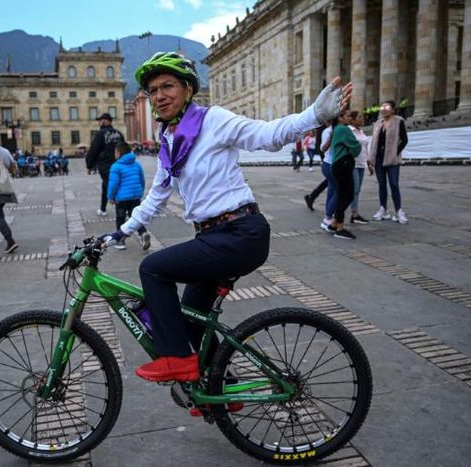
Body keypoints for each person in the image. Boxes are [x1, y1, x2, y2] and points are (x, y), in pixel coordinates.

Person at [101, 51, 351, 383]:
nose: (159, 96)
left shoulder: (213, 120)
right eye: (153, 90)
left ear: (188, 89)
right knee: (191, 312)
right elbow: (156, 197)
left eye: (168, 86)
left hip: (240, 232)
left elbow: (266, 135)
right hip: (213, 236)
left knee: (152, 268)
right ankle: (221, 386)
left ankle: (176, 358)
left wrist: (314, 116)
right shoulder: (169, 142)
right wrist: (121, 232)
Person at [368, 100, 408, 224]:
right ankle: (383, 209)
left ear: (393, 109)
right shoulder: (378, 123)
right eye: (382, 106)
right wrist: (370, 158)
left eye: (387, 106)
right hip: (379, 158)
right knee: (382, 184)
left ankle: (398, 211)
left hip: (392, 159)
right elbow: (374, 141)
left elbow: (404, 139)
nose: (384, 109)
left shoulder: (398, 121)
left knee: (394, 184)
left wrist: (396, 152)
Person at [107, 141, 151, 251]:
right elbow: (142, 180)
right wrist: (139, 192)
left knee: (120, 218)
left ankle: (120, 241)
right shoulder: (136, 164)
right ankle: (143, 233)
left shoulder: (116, 166)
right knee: (136, 217)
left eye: (115, 152)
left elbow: (113, 184)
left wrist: (110, 196)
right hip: (135, 196)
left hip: (122, 199)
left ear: (118, 153)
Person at [330, 111, 361, 239]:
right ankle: (340, 227)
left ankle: (334, 223)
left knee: (343, 194)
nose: (349, 118)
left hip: (338, 165)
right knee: (347, 195)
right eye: (347, 116)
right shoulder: (343, 129)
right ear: (340, 118)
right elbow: (355, 146)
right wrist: (355, 148)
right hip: (343, 163)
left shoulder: (337, 129)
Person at [86, 112, 124, 216]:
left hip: (106, 167)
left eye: (100, 120)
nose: (99, 122)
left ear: (106, 121)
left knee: (113, 189)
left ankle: (122, 214)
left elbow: (93, 150)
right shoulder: (119, 134)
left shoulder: (100, 134)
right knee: (105, 186)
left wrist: (89, 166)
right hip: (120, 166)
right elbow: (125, 149)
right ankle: (103, 209)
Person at [347, 110, 370, 224]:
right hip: (353, 163)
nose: (362, 119)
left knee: (357, 189)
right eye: (359, 117)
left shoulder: (361, 131)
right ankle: (353, 213)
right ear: (352, 119)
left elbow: (365, 148)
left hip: (361, 163)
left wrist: (369, 163)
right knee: (354, 189)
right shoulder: (349, 131)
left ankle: (354, 213)